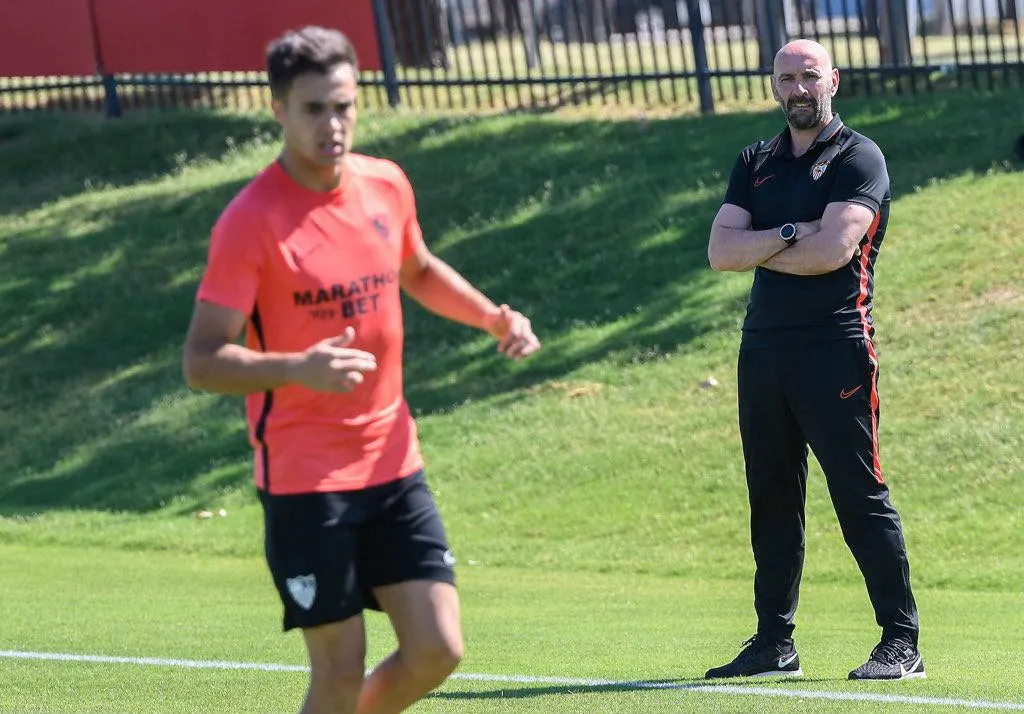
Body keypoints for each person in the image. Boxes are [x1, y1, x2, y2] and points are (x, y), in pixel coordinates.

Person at [181, 26, 541, 714]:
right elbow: (201, 361)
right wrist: (298, 367)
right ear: (278, 111)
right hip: (305, 479)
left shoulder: (385, 185)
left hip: (394, 461)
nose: (333, 124)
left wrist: (493, 318)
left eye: (344, 106)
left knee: (438, 647)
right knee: (339, 671)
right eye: (313, 109)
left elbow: (418, 270)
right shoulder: (249, 222)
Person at [704, 39, 923, 681]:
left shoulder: (860, 156)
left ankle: (901, 642)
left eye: (809, 75)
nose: (798, 88)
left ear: (833, 79)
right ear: (774, 86)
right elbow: (720, 251)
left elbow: (832, 252)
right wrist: (794, 232)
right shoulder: (757, 159)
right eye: (786, 78)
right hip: (763, 348)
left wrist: (764, 244)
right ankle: (775, 644)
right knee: (771, 497)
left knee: (858, 494)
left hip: (835, 346)